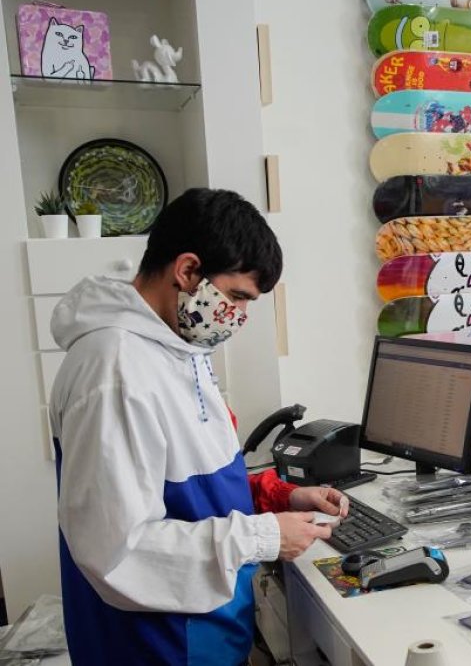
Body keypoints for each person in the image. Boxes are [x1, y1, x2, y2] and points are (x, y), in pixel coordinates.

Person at [50, 188, 346, 664]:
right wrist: (264, 536)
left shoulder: (175, 346)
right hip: (155, 644)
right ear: (188, 270)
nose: (241, 317)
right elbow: (119, 550)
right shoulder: (114, 370)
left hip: (202, 630)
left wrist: (277, 497)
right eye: (236, 297)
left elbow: (190, 482)